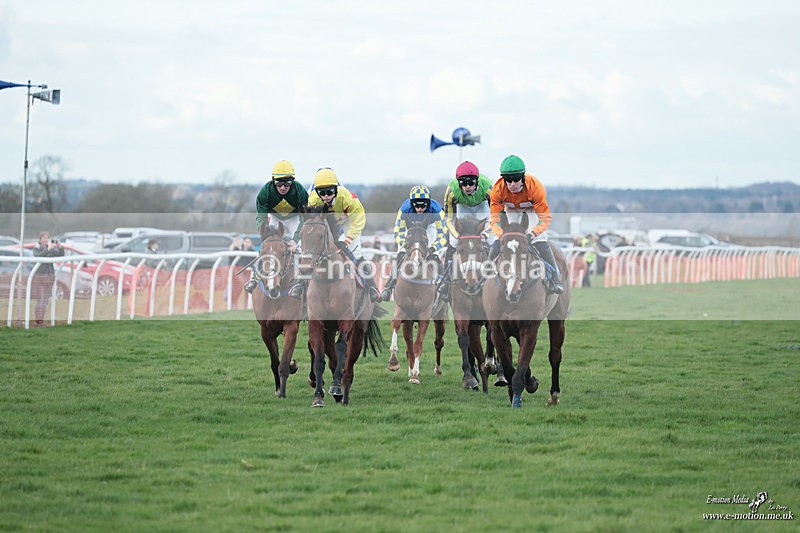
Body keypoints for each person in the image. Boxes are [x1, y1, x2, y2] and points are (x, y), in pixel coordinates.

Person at [296, 166, 380, 302]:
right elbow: (312, 223)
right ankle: (300, 284)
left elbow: (358, 222)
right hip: (327, 222)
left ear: (335, 189)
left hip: (348, 221)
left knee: (356, 253)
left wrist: (347, 241)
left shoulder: (348, 198)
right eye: (321, 193)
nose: (325, 197)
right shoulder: (313, 199)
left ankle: (372, 287)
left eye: (329, 192)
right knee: (307, 250)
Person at [489, 155, 564, 294]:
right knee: (497, 239)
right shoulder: (497, 190)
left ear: (522, 177)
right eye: (508, 181)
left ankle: (555, 278)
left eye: (516, 180)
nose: (512, 184)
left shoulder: (535, 188)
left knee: (540, 239)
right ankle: (485, 273)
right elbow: (494, 219)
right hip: (510, 210)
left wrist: (533, 234)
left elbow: (545, 218)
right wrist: (501, 235)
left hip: (530, 211)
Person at [244, 160, 309, 294]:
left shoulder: (300, 192)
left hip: (295, 219)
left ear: (293, 181)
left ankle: (304, 282)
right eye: (279, 183)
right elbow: (261, 217)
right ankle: (254, 278)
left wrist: (295, 240)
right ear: (273, 180)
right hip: (275, 217)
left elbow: (304, 218)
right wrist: (264, 234)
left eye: (287, 183)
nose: (283, 187)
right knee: (267, 247)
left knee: (301, 248)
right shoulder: (265, 192)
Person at [438, 160, 496, 301]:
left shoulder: (489, 188)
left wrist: (485, 233)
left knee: (493, 240)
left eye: (471, 183)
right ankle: (446, 281)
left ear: (477, 181)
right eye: (464, 183)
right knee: (452, 242)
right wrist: (457, 235)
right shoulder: (451, 192)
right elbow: (449, 219)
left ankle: (496, 276)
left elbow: (496, 216)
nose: (468, 187)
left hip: (483, 207)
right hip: (462, 207)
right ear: (459, 183)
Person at [379, 185, 447, 302]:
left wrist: (433, 248)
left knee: (434, 255)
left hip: (430, 226)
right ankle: (389, 286)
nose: (420, 208)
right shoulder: (404, 209)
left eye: (423, 205)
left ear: (428, 204)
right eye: (417, 205)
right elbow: (398, 232)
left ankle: (443, 284)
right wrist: (404, 245)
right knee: (400, 253)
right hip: (409, 227)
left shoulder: (436, 210)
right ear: (412, 204)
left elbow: (442, 235)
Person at [31, 231, 65, 325]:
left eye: (48, 237)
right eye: (44, 238)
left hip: (49, 279)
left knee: (45, 301)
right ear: (40, 239)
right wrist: (48, 249)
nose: (46, 239)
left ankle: (40, 321)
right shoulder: (36, 249)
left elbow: (61, 255)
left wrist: (60, 247)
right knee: (40, 300)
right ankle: (38, 321)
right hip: (40, 279)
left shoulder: (50, 249)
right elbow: (38, 257)